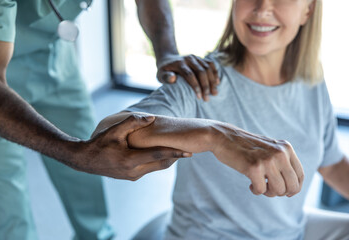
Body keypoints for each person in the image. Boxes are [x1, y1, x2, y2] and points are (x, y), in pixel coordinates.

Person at [94, 0, 349, 239]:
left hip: (290, 231)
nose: (262, 8)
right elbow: (109, 133)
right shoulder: (202, 79)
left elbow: (332, 163)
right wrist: (215, 137)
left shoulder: (311, 79)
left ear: (308, 10)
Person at [0, 0, 218, 239]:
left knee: (89, 172)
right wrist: (74, 154)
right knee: (7, 202)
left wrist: (167, 52)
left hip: (56, 58)